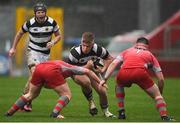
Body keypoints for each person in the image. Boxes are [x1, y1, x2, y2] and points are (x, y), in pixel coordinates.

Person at [101, 37, 176, 121]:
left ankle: (121, 112)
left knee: (119, 85)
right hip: (140, 73)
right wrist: (159, 93)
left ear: (136, 44)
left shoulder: (127, 51)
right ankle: (164, 117)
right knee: (157, 96)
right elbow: (161, 79)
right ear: (147, 46)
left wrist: (105, 78)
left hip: (124, 72)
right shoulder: (150, 55)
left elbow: (114, 63)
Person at [5, 60, 106, 119]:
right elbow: (89, 72)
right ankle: (55, 114)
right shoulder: (72, 68)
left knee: (30, 94)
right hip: (51, 70)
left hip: (39, 67)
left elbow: (48, 84)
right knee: (66, 94)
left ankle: (9, 112)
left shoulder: (65, 65)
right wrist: (100, 81)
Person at [8, 2, 61, 111]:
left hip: (45, 54)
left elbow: (58, 36)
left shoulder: (52, 22)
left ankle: (26, 101)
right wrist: (13, 48)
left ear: (45, 13)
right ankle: (25, 102)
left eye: (42, 12)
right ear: (35, 13)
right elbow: (19, 33)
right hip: (33, 51)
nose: (40, 14)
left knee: (37, 79)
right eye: (38, 12)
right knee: (35, 73)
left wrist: (53, 42)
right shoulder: (29, 23)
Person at [67, 32, 115, 117]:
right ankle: (91, 102)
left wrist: (103, 69)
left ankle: (106, 112)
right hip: (77, 72)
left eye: (88, 46)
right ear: (81, 42)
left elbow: (109, 58)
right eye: (83, 45)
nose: (85, 48)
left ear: (92, 44)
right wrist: (87, 66)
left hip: (93, 71)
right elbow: (70, 70)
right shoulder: (74, 53)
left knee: (102, 91)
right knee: (86, 82)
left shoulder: (98, 49)